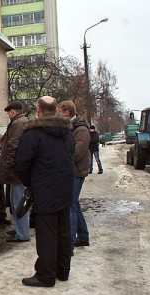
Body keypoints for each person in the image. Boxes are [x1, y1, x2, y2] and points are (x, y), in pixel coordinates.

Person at [16, 96, 75, 287]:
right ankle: (62, 271)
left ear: (39, 110)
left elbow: (21, 164)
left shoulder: (33, 133)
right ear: (55, 109)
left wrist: (31, 183)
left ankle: (45, 275)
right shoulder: (67, 133)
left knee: (47, 234)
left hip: (44, 190)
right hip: (65, 188)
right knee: (63, 231)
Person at [57, 100, 91, 254]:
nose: (57, 114)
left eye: (59, 111)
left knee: (70, 205)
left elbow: (76, 153)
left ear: (66, 112)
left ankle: (69, 243)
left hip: (75, 171)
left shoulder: (81, 129)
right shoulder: (70, 128)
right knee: (74, 204)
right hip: (71, 170)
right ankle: (83, 236)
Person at [0, 101, 29, 242]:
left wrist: (9, 164)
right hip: (18, 170)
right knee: (15, 200)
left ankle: (22, 234)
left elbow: (13, 145)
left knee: (18, 202)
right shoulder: (21, 122)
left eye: (9, 112)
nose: (8, 115)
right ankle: (19, 230)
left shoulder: (17, 123)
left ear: (13, 112)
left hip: (16, 171)